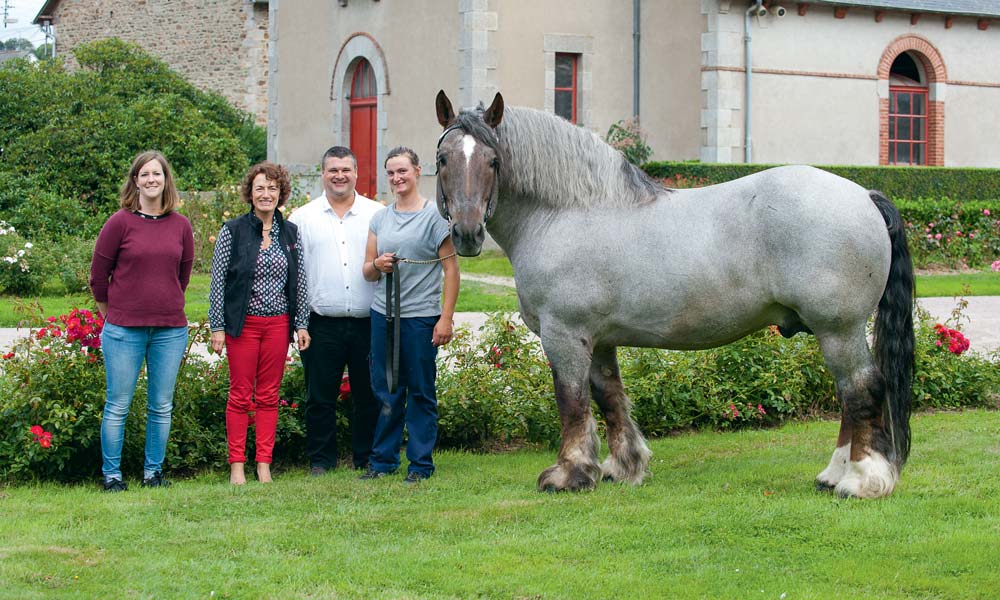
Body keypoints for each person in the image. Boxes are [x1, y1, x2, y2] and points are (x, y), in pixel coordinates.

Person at [90, 150, 194, 492]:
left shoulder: (181, 225)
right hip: (123, 330)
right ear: (135, 181)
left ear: (167, 181)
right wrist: (114, 314)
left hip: (170, 330)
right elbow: (98, 277)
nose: (152, 180)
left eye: (158, 174)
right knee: (118, 403)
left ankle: (153, 473)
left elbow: (183, 276)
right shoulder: (119, 222)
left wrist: (162, 303)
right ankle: (112, 476)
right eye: (145, 174)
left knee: (161, 405)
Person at [360, 146, 459, 483]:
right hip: (382, 317)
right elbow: (367, 271)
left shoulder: (434, 218)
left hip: (419, 318)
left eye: (402, 171)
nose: (396, 178)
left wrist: (445, 318)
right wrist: (378, 264)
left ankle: (420, 465)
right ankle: (383, 461)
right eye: (390, 172)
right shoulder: (380, 218)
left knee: (419, 391)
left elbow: (452, 270)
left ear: (418, 171)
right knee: (385, 389)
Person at [208, 162, 311, 485]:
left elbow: (301, 281)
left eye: (272, 189)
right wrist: (217, 327)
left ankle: (264, 463)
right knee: (240, 395)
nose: (266, 194)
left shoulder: (291, 233)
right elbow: (217, 282)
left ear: (281, 194)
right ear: (250, 194)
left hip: (278, 325)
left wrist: (302, 324)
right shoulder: (232, 231)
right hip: (243, 325)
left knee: (269, 395)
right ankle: (237, 464)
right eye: (260, 188)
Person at [288, 146, 383, 475]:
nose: (339, 175)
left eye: (345, 169)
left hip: (367, 321)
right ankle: (321, 460)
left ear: (356, 173)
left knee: (368, 395)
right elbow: (293, 274)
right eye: (332, 170)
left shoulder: (377, 214)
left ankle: (367, 457)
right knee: (319, 396)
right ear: (323, 174)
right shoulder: (301, 218)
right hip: (320, 323)